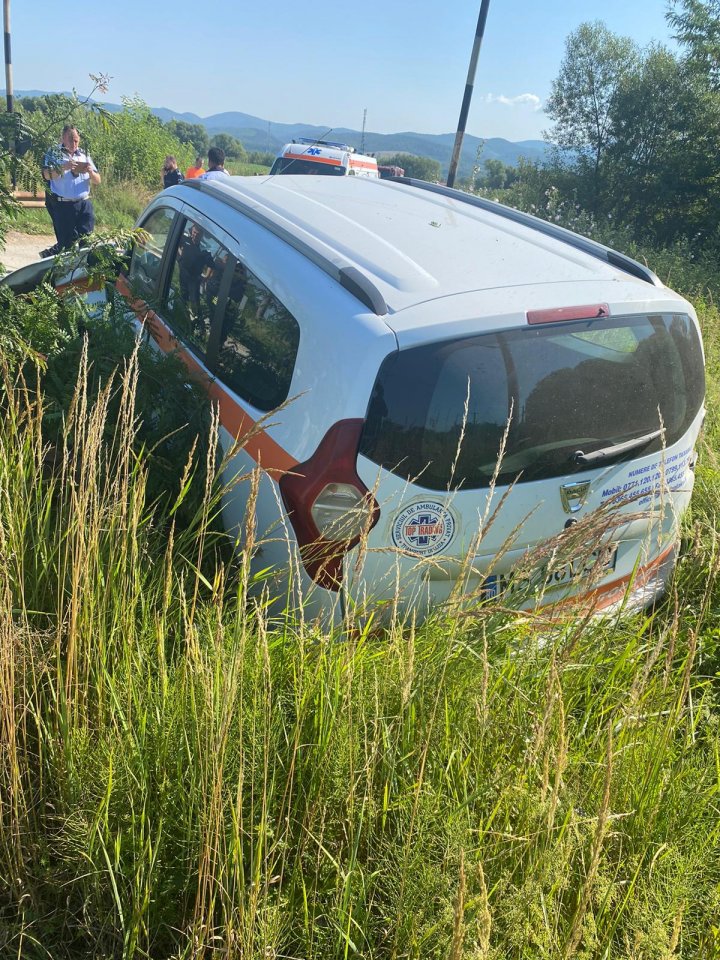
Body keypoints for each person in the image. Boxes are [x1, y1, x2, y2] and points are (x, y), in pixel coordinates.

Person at [43, 125, 101, 251]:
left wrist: (91, 172)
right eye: (70, 139)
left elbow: (98, 180)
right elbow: (47, 175)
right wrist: (64, 167)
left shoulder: (84, 155)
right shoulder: (53, 153)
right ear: (63, 138)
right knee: (66, 245)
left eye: (76, 140)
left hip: (84, 204)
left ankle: (83, 269)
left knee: (87, 242)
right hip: (64, 206)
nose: (74, 143)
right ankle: (57, 262)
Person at [177, 223, 214, 319]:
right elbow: (176, 244)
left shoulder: (204, 250)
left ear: (201, 235)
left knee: (194, 301)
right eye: (194, 232)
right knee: (182, 297)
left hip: (194, 279)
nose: (195, 235)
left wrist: (206, 277)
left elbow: (211, 265)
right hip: (182, 273)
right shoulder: (185, 239)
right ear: (191, 231)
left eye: (198, 234)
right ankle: (181, 316)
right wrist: (180, 256)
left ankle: (199, 322)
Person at [39, 144, 62, 258]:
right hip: (54, 199)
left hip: (70, 202)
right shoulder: (53, 152)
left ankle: (52, 253)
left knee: (73, 235)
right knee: (67, 235)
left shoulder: (78, 153)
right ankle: (51, 254)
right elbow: (46, 174)